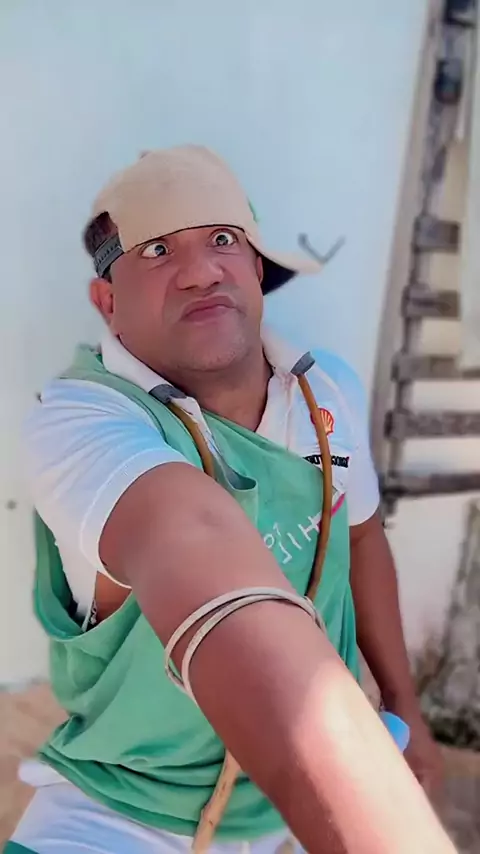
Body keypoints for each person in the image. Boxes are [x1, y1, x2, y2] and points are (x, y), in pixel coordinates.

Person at [7, 145, 453, 854]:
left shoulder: (325, 390)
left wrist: (406, 708)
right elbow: (190, 536)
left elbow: (361, 536)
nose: (201, 271)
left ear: (255, 267)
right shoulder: (79, 419)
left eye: (221, 239)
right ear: (107, 301)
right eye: (156, 250)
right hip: (127, 807)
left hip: (301, 816)